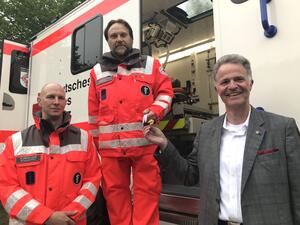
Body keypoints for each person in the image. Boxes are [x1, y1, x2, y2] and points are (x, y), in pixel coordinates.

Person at [144, 54, 300, 225]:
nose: (232, 86)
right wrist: (164, 144)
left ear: (250, 83)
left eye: (239, 79)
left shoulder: (282, 128)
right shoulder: (207, 131)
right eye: (225, 82)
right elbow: (190, 175)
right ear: (217, 88)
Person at [88, 19, 173, 225]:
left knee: (148, 193)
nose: (119, 39)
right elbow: (94, 114)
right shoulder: (96, 72)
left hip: (143, 146)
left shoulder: (151, 64)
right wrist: (99, 147)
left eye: (123, 35)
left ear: (131, 38)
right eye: (113, 36)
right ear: (108, 41)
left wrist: (154, 112)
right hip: (110, 152)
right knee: (115, 198)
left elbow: (165, 93)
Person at [0, 83, 102, 225]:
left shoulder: (84, 139)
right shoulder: (15, 142)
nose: (56, 102)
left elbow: (92, 181)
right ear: (39, 100)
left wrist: (71, 214)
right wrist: (47, 217)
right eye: (50, 97)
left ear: (65, 102)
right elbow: (7, 188)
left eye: (60, 98)